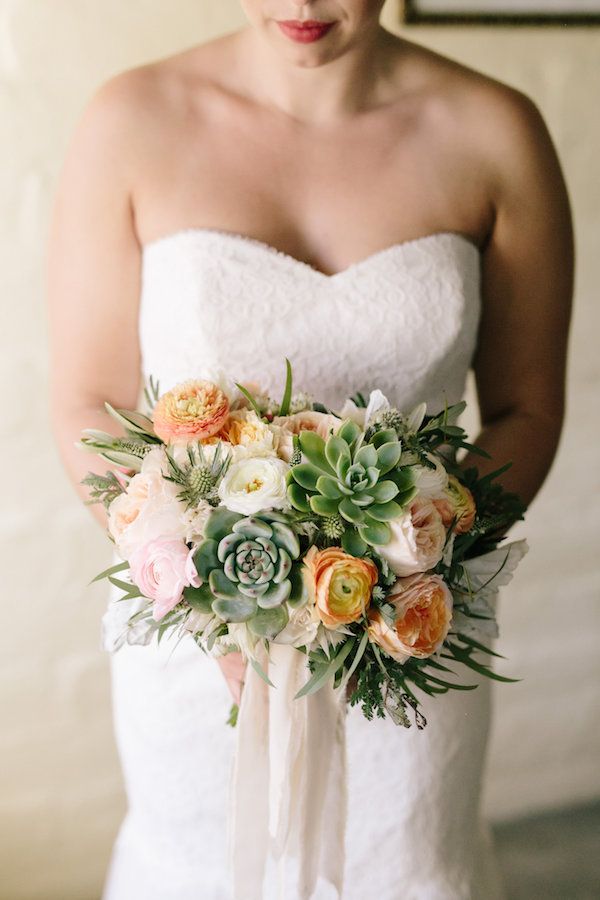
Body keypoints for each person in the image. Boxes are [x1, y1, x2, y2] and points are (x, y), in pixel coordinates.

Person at [47, 2, 573, 898]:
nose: (301, 4)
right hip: (199, 653)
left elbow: (526, 408)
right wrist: (213, 596)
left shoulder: (497, 131)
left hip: (411, 642)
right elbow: (86, 402)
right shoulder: (130, 121)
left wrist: (407, 564)